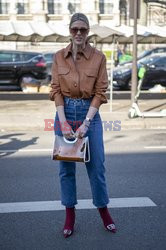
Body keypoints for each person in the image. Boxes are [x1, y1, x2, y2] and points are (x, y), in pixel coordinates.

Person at [49, 13, 116, 238]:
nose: (78, 33)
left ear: (88, 32)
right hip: (64, 112)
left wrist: (86, 123)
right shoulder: (59, 56)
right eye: (75, 29)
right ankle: (70, 215)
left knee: (97, 167)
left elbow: (100, 92)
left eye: (83, 30)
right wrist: (64, 122)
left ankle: (104, 211)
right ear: (70, 30)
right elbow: (56, 90)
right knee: (66, 170)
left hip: (90, 115)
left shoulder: (99, 58)